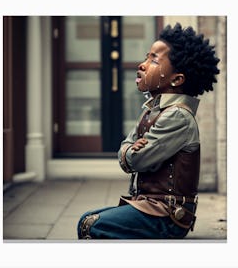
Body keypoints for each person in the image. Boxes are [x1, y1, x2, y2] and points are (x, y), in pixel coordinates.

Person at [77, 22, 220, 239]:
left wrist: (130, 151)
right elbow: (127, 150)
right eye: (146, 57)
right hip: (148, 206)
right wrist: (129, 150)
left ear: (177, 79)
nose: (142, 64)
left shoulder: (177, 116)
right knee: (87, 219)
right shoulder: (152, 110)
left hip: (167, 216)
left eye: (154, 60)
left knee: (91, 225)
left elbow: (136, 160)